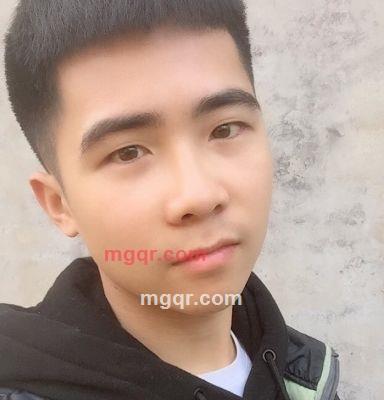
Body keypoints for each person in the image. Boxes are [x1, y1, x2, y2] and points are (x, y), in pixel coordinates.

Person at [0, 1, 341, 399]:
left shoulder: (305, 374)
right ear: (59, 204)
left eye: (225, 129)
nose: (199, 196)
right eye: (128, 153)